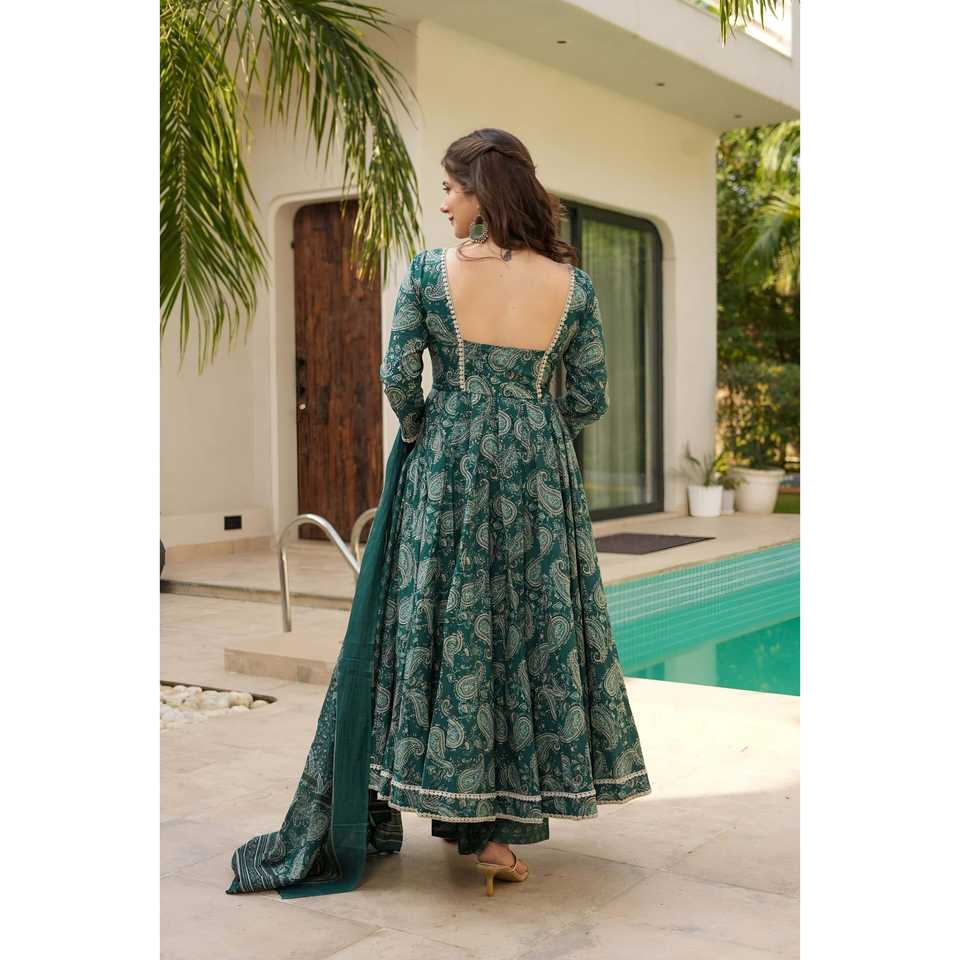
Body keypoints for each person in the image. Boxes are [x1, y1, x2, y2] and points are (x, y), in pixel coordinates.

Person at [226, 128, 651, 900]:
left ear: (481, 191)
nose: (443, 201)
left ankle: (460, 808)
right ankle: (496, 828)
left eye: (451, 188)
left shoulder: (429, 273)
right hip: (537, 476)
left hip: (447, 467)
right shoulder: (573, 285)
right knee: (524, 632)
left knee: (446, 627)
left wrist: (432, 427)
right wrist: (533, 431)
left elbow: (397, 376)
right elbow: (590, 397)